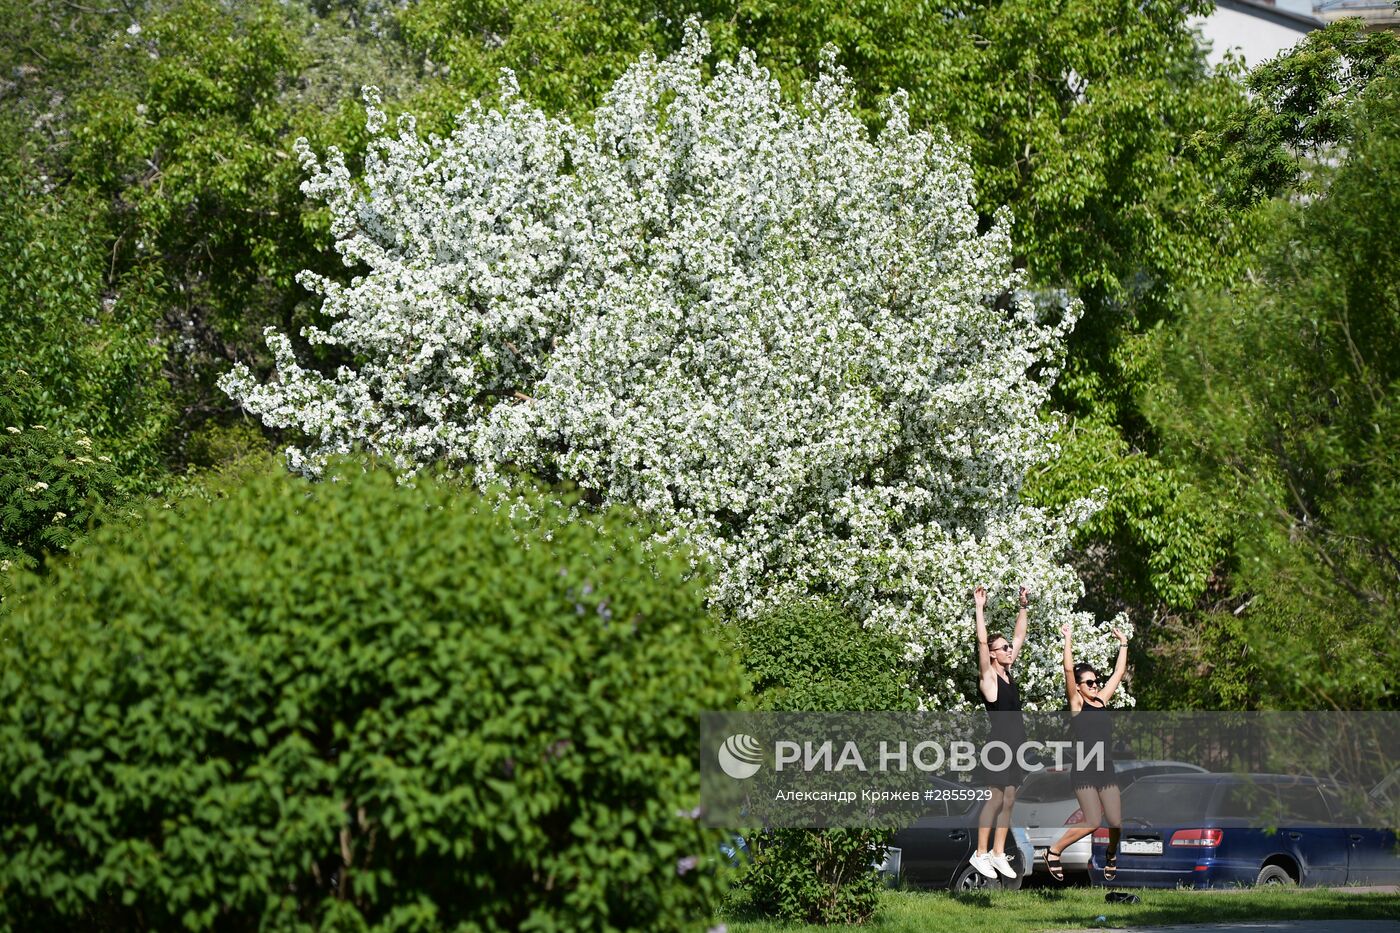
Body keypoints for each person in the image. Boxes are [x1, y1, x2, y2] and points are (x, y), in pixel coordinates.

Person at [1044, 622, 1130, 883]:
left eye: (1096, 681)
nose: (1095, 684)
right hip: (1084, 769)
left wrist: (1123, 643)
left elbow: (1118, 672)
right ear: (1079, 687)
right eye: (1090, 682)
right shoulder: (1077, 703)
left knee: (1115, 822)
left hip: (1106, 768)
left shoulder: (1101, 700)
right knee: (1093, 821)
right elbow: (1068, 669)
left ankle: (1111, 854)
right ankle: (1053, 851)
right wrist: (1068, 639)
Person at [969, 584, 1029, 880]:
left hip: (1016, 746)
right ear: (993, 654)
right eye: (1003, 648)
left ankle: (997, 852)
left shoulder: (1008, 671)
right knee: (995, 799)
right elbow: (982, 644)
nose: (1009, 650)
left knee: (1009, 800)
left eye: (1008, 648)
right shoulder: (989, 678)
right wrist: (980, 608)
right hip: (999, 747)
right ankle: (980, 853)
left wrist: (1023, 606)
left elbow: (1020, 635)